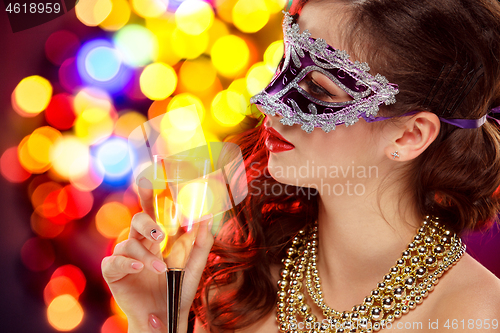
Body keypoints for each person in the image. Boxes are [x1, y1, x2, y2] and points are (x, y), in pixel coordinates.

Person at [102, 0, 500, 332]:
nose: (267, 101)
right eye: (284, 65)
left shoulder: (474, 315)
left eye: (318, 87)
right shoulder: (239, 284)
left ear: (409, 136)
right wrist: (159, 321)